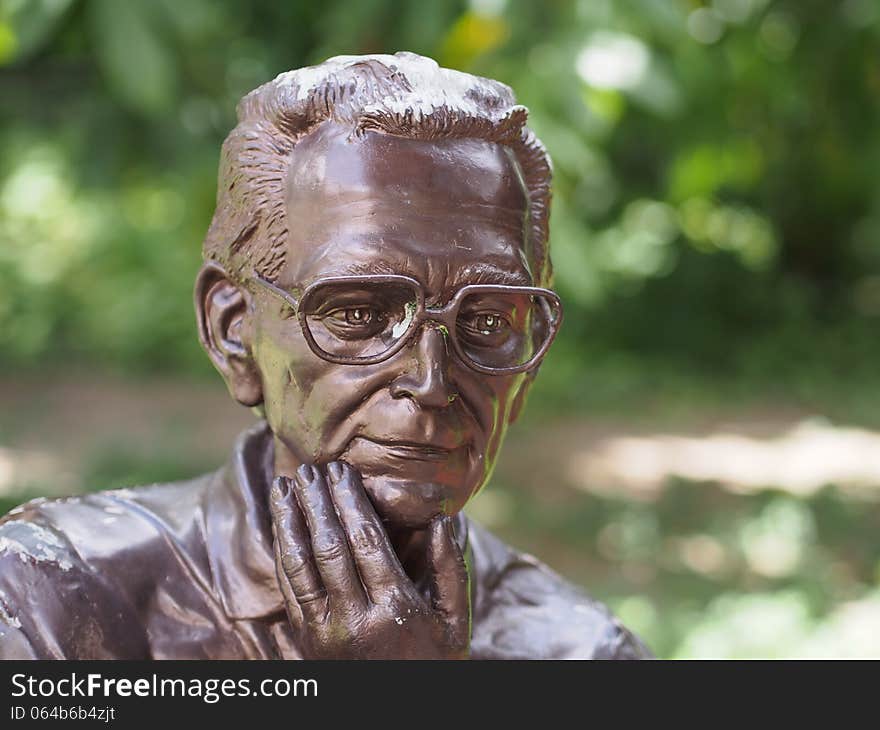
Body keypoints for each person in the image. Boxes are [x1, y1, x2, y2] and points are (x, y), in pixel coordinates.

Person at [0, 53, 650, 659]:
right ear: (234, 331)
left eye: (485, 321)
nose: (431, 381)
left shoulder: (578, 649)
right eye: (359, 316)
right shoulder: (49, 602)